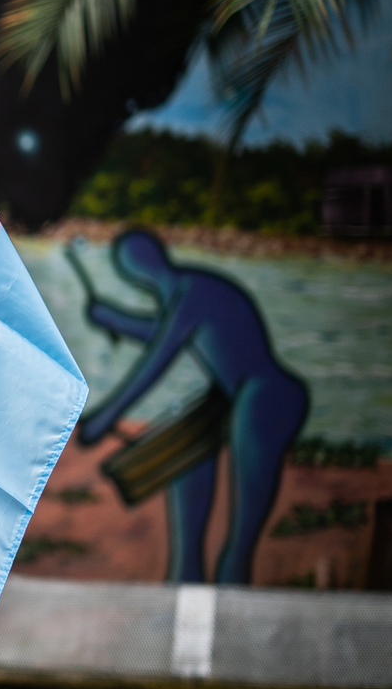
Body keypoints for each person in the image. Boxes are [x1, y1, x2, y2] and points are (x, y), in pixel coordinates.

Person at [76, 230, 309, 584]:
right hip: (233, 399)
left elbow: (158, 358)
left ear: (133, 272)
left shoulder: (194, 293)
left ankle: (234, 615)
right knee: (184, 463)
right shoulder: (186, 295)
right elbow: (166, 331)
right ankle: (185, 590)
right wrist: (113, 318)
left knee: (239, 543)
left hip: (265, 398)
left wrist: (104, 417)